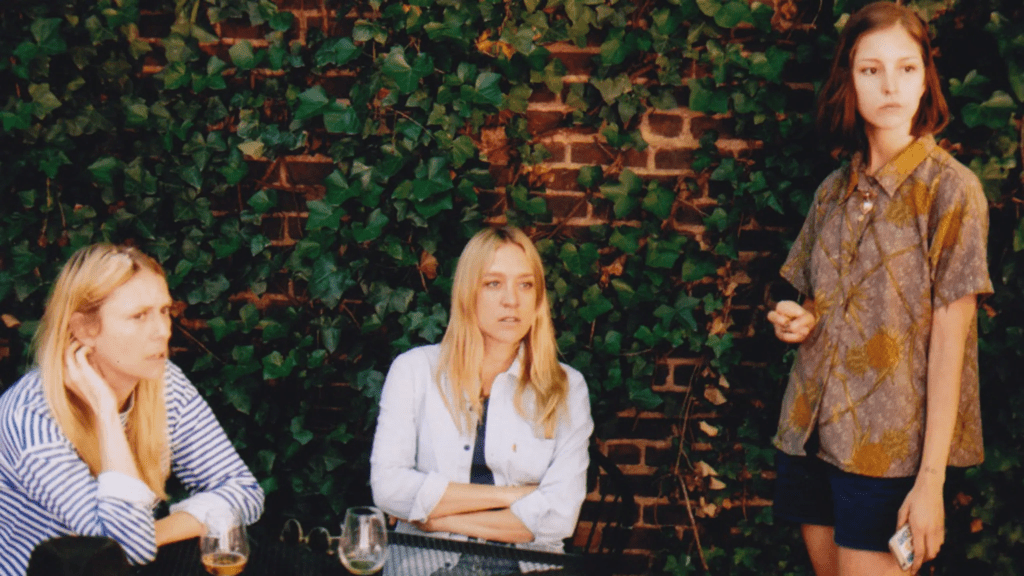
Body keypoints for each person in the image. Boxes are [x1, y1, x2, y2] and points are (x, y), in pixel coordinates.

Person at [766, 3, 993, 575]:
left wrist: (930, 482)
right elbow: (820, 301)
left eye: (906, 68)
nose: (890, 86)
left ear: (926, 79)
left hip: (889, 454)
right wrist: (801, 319)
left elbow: (951, 345)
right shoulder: (833, 190)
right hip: (812, 436)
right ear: (848, 79)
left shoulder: (951, 191)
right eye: (871, 70)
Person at [0, 244, 264, 575]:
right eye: (139, 316)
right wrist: (106, 413)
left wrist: (152, 534)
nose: (163, 331)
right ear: (84, 329)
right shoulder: (30, 417)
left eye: (164, 311)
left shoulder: (163, 383)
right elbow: (126, 548)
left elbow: (243, 490)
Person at [370, 226, 594, 572]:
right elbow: (388, 489)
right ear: (467, 292)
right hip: (426, 563)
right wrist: (514, 496)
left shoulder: (566, 387)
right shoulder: (414, 371)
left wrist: (438, 517)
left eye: (525, 284)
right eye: (493, 283)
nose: (511, 300)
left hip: (525, 564)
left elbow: (558, 517)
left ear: (538, 298)